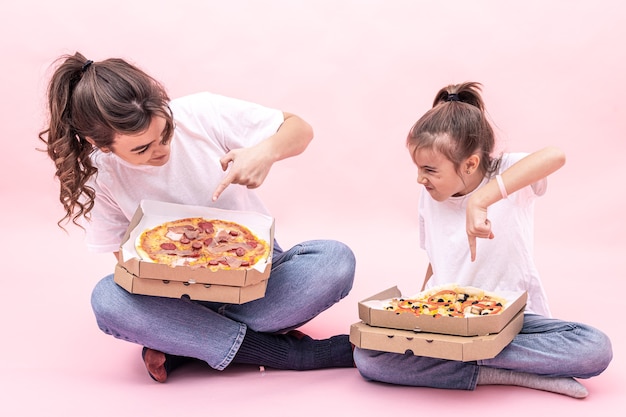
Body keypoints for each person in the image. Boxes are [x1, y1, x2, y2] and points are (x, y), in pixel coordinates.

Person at [39, 52, 356, 383]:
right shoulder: (102, 173)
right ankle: (289, 354)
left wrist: (264, 152)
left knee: (335, 260)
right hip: (175, 293)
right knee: (107, 299)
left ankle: (187, 342)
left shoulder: (202, 112)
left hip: (255, 278)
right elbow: (125, 257)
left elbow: (300, 129)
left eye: (165, 133)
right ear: (100, 145)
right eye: (141, 149)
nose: (160, 150)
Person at [353, 82, 612, 398]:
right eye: (418, 168)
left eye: (429, 170)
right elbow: (437, 257)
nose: (420, 178)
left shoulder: (507, 172)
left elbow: (555, 156)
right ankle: (507, 372)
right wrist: (417, 309)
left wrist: (482, 201)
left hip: (515, 321)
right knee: (367, 359)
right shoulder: (429, 195)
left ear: (471, 163)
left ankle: (476, 366)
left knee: (595, 347)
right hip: (449, 323)